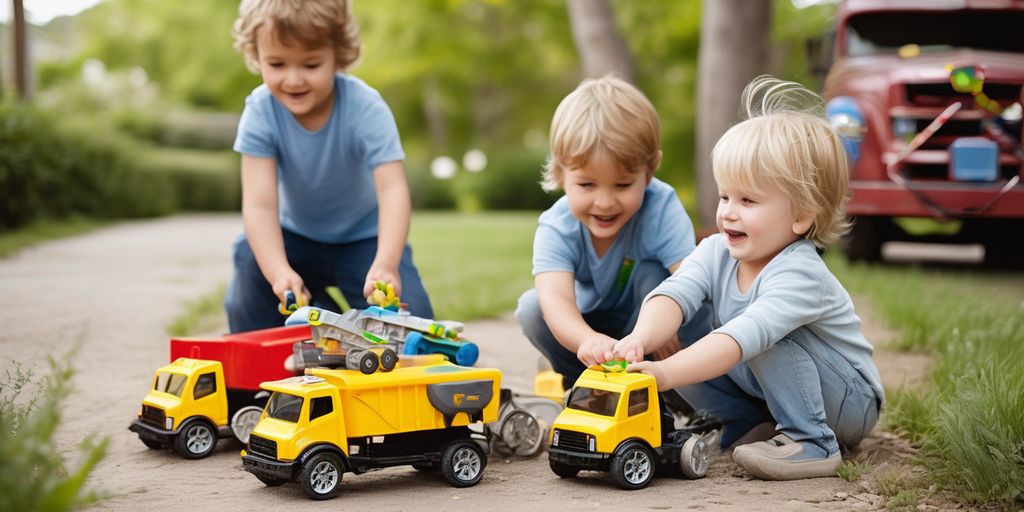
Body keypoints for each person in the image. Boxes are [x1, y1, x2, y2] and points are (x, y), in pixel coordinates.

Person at [613, 76, 884, 480]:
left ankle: (814, 442)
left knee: (758, 336)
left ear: (801, 215)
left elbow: (746, 336)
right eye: (725, 196)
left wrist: (667, 375)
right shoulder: (716, 251)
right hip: (774, 387)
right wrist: (641, 339)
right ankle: (746, 424)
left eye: (748, 200)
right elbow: (673, 293)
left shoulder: (800, 271)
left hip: (847, 401)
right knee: (680, 331)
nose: (728, 212)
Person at [225, 0, 433, 332]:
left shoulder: (366, 108)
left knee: (412, 326)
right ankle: (260, 361)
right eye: (277, 64)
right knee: (251, 264)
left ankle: (331, 315)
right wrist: (279, 272)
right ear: (257, 56)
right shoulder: (260, 112)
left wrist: (387, 263)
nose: (293, 80)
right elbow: (259, 204)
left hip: (364, 241)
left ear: (338, 54)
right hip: (294, 238)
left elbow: (392, 189)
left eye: (310, 65)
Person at [515, 75, 711, 391]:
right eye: (587, 184)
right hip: (590, 324)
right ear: (560, 173)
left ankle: (679, 389)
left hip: (649, 322)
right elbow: (556, 299)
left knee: (658, 278)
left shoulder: (660, 208)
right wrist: (587, 339)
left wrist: (665, 322)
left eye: (622, 185)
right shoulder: (557, 225)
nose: (605, 203)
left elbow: (691, 279)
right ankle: (586, 387)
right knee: (532, 307)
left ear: (648, 172)